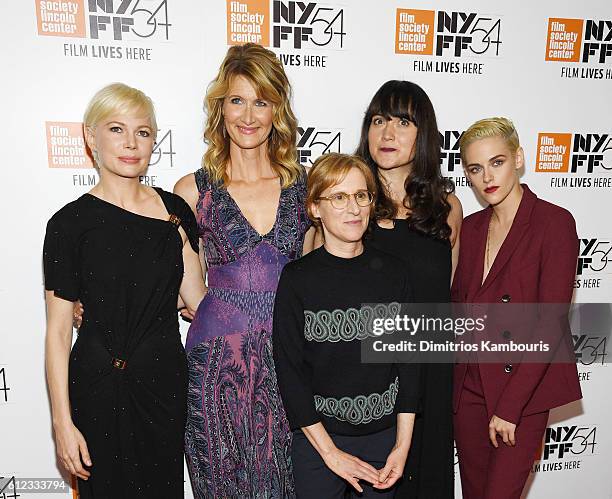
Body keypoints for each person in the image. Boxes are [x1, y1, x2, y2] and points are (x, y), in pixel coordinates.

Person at [44, 83, 205, 498]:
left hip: (163, 383)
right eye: (116, 129)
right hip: (97, 386)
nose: (131, 143)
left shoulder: (175, 211)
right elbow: (59, 333)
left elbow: (196, 297)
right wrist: (62, 424)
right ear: (90, 136)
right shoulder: (68, 225)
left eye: (143, 132)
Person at [173, 43, 315, 498]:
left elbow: (323, 273)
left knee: (288, 484)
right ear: (221, 109)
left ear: (277, 110)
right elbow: (183, 284)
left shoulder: (306, 187)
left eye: (261, 101)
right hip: (215, 365)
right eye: (237, 100)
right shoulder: (192, 191)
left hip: (289, 360)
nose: (248, 115)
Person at [273, 153, 421, 499]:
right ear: (315, 208)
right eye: (338, 197)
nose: (353, 208)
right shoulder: (297, 279)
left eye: (361, 195)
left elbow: (411, 364)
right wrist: (331, 454)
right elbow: (290, 373)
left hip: (385, 442)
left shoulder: (396, 273)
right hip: (318, 442)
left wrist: (402, 446)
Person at [452, 117, 582, 499]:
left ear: (519, 158)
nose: (487, 177)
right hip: (469, 392)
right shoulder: (472, 228)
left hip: (521, 393)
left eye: (497, 162)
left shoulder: (554, 223)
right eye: (475, 169)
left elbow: (549, 322)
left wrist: (510, 408)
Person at [356, 80, 460, 497]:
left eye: (402, 122)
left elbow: (446, 293)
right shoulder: (349, 202)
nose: (387, 133)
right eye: (379, 120)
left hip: (431, 375)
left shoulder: (448, 208)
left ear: (424, 135)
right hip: (365, 377)